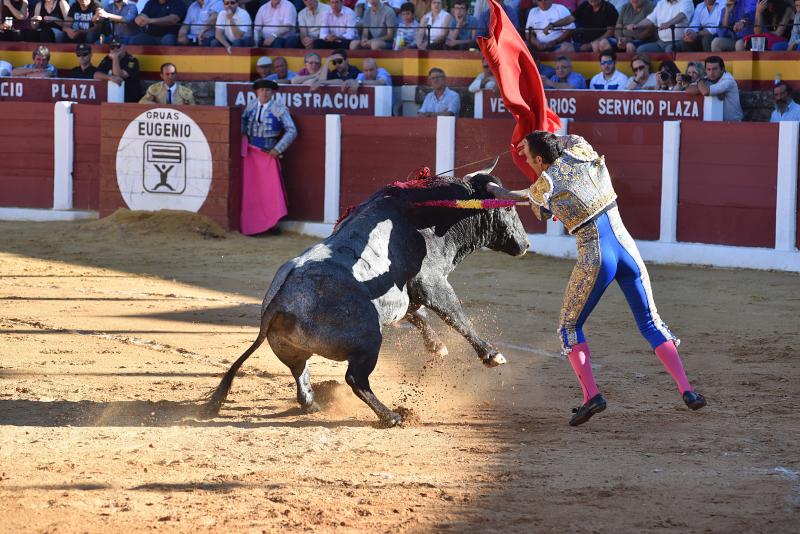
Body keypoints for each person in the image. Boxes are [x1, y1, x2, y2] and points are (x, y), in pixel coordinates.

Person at [488, 131, 707, 426]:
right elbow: (563, 140)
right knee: (650, 321)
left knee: (569, 326)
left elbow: (534, 207)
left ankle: (592, 395)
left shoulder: (544, 187)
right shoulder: (580, 148)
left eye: (527, 156)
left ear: (539, 159)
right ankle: (688, 390)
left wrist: (495, 190)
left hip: (596, 256)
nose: (524, 159)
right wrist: (536, 135)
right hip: (627, 248)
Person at [240, 78, 297, 236]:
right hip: (251, 154)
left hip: (268, 154)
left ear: (272, 93)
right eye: (262, 90)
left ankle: (271, 224)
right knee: (253, 191)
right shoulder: (251, 106)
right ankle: (255, 224)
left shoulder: (279, 108)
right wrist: (243, 135)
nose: (264, 93)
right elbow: (243, 120)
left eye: (268, 90)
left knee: (270, 191)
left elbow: (292, 130)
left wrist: (278, 149)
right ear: (257, 92)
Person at [547, 0, 618, 53]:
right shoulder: (585, 5)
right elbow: (570, 18)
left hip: (602, 42)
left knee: (597, 45)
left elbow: (610, 32)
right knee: (564, 47)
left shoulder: (609, 8)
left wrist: (589, 45)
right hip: (583, 42)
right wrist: (553, 25)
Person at [687, 55, 743, 121]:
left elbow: (705, 92)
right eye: (708, 69)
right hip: (717, 121)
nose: (711, 73)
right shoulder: (706, 79)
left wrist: (699, 80)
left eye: (715, 69)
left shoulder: (728, 81)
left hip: (734, 123)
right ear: (705, 70)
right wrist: (704, 89)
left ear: (723, 69)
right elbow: (689, 89)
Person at [628, 0, 693, 53]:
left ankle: (670, 68)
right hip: (660, 42)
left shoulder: (686, 1)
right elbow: (650, 19)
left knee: (669, 49)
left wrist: (669, 23)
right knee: (641, 50)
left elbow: (682, 15)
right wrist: (637, 25)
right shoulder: (661, 3)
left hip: (678, 41)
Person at [94, 38, 142, 102]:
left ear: (124, 47)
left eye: (118, 46)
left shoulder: (132, 60)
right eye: (112, 47)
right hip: (112, 98)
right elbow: (96, 75)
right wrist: (110, 77)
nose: (115, 49)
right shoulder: (107, 59)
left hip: (129, 100)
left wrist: (115, 58)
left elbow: (118, 75)